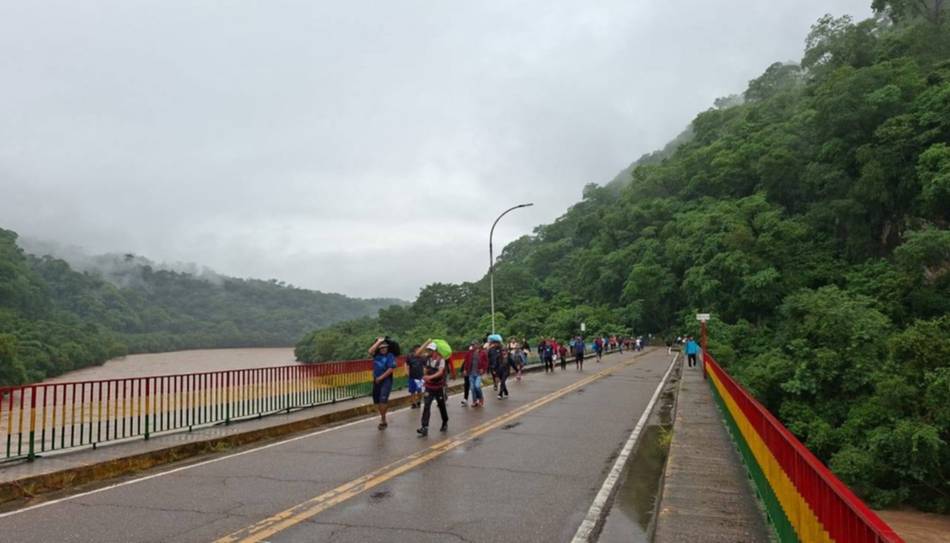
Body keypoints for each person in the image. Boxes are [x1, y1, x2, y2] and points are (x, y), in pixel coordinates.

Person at [416, 341, 449, 436]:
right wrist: (425, 375)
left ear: (435, 351)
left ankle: (445, 421)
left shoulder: (441, 360)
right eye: (428, 350)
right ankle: (424, 427)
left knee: (441, 405)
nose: (429, 352)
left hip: (438, 387)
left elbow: (440, 372)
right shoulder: (427, 359)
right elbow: (418, 354)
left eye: (431, 350)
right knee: (426, 405)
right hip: (429, 387)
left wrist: (429, 377)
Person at [368, 337, 397, 430]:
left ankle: (383, 419)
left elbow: (391, 369)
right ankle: (383, 416)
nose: (384, 349)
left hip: (386, 380)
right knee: (376, 401)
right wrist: (379, 341)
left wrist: (381, 378)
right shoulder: (376, 355)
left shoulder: (390, 356)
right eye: (381, 347)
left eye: (385, 347)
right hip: (376, 380)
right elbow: (370, 351)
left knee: (383, 399)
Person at [463, 341, 488, 406]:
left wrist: (483, 369)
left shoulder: (483, 353)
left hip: (478, 373)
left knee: (477, 386)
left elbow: (486, 362)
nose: (474, 346)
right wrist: (465, 370)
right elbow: (466, 362)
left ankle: (481, 398)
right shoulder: (469, 353)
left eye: (475, 344)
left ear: (478, 345)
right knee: (472, 388)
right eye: (473, 345)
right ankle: (474, 401)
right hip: (471, 373)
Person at [405, 344, 425, 409]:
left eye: (421, 349)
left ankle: (419, 402)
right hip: (412, 377)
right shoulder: (410, 356)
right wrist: (407, 372)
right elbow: (406, 364)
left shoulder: (422, 357)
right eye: (418, 349)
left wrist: (425, 374)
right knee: (412, 391)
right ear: (415, 350)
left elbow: (425, 366)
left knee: (419, 391)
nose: (420, 350)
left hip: (420, 377)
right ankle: (413, 403)